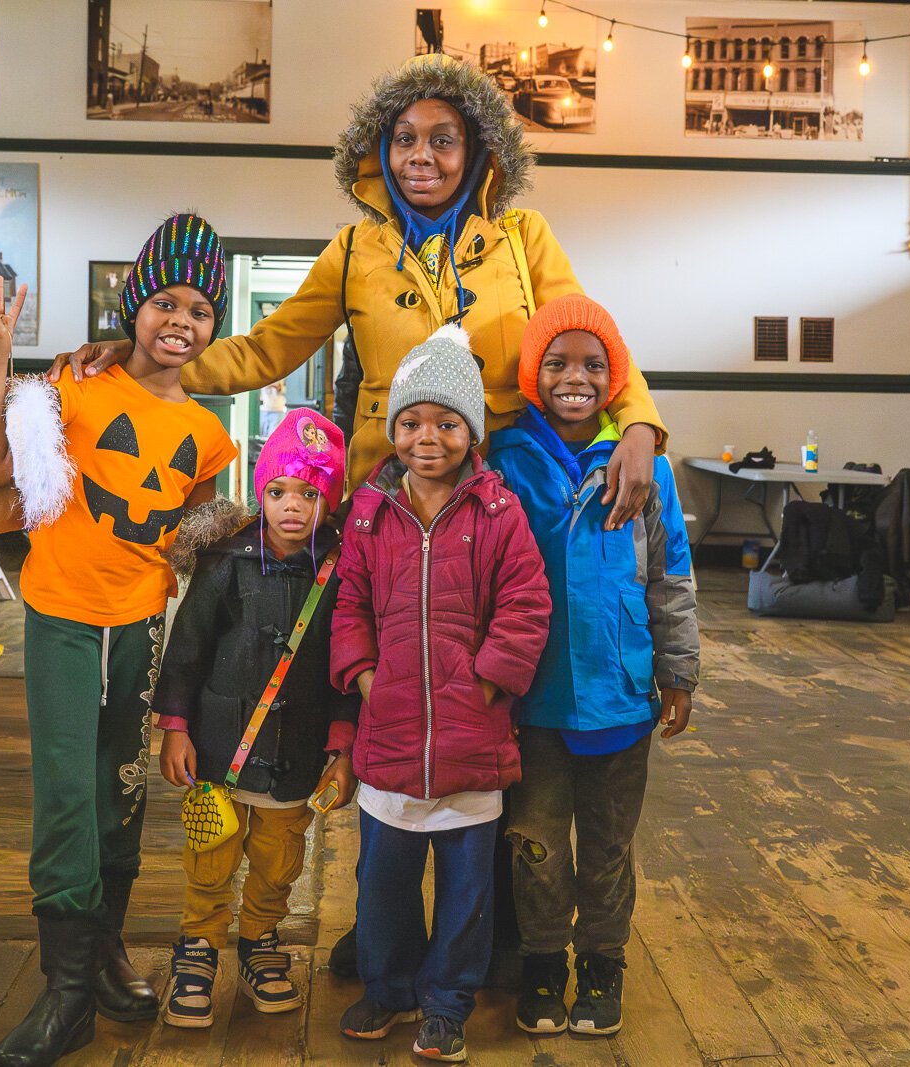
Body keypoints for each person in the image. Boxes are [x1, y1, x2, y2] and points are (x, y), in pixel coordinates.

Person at [49, 52, 666, 528]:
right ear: (381, 150)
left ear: (476, 152)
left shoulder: (523, 236)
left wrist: (638, 426)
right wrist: (138, 361)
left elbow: (588, 341)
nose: (421, 156)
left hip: (506, 474)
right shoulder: (352, 250)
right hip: (386, 483)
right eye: (404, 139)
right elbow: (265, 351)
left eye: (442, 139)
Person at [0, 214, 238, 1067]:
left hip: (142, 623)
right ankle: (67, 993)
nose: (181, 321)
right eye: (165, 300)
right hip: (61, 612)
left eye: (200, 309)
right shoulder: (74, 387)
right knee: (64, 791)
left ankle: (107, 950)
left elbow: (190, 531)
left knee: (121, 786)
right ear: (135, 303)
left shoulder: (209, 434)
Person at [329, 325, 552, 1063]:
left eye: (448, 422)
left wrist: (489, 678)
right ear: (393, 429)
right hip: (388, 737)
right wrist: (364, 674)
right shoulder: (369, 513)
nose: (429, 437)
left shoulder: (497, 512)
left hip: (473, 739)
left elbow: (527, 602)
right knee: (382, 883)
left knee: (466, 893)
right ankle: (388, 986)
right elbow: (350, 602)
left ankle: (447, 1001)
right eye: (412, 422)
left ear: (472, 431)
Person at [484, 295, 700, 1038]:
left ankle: (602, 966)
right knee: (536, 847)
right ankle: (543, 965)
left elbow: (671, 576)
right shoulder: (504, 461)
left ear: (615, 377)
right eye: (557, 361)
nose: (575, 376)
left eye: (593, 363)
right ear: (531, 371)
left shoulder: (647, 467)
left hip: (621, 696)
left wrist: (679, 668)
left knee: (608, 849)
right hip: (532, 701)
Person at [152, 409, 358, 1028]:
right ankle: (198, 943)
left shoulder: (345, 571)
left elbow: (352, 663)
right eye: (277, 491)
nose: (292, 506)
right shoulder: (224, 562)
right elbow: (186, 649)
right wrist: (176, 728)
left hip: (298, 751)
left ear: (330, 497)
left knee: (279, 858)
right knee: (211, 852)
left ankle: (261, 939)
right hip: (219, 745)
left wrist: (343, 747)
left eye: (309, 492)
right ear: (259, 493)